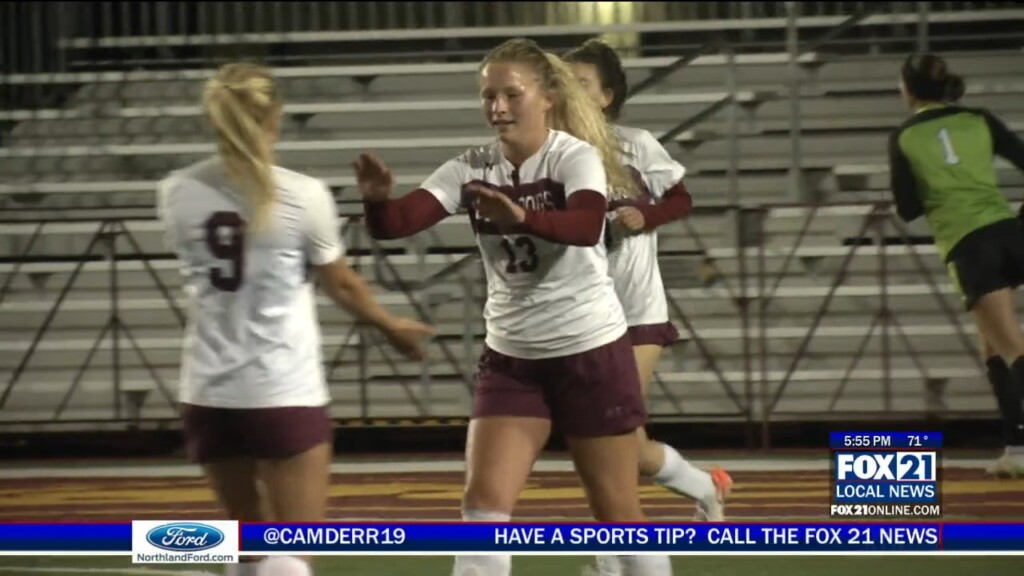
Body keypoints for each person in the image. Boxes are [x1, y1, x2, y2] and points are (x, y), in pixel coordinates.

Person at [355, 38, 673, 576]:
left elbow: (585, 224)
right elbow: (396, 225)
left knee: (618, 516)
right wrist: (377, 200)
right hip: (512, 360)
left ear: (547, 97)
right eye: (487, 96)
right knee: (482, 510)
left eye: (510, 94)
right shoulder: (471, 167)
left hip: (589, 352)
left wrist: (522, 219)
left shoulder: (574, 155)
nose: (497, 107)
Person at [157, 62, 435, 576]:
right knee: (291, 553)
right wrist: (391, 325)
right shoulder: (303, 196)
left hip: (208, 392)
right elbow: (342, 285)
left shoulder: (176, 191)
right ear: (276, 118)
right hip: (281, 390)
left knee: (247, 544)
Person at [564, 39, 732, 530]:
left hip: (635, 312)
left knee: (608, 436)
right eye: (563, 84)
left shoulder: (634, 144)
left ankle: (616, 556)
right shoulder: (549, 155)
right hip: (581, 315)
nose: (569, 93)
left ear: (606, 95)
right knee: (629, 448)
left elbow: (681, 199)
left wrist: (645, 216)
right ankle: (706, 485)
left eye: (582, 84)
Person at [889, 53, 1024, 478]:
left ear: (908, 90)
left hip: (969, 243)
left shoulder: (905, 136)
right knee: (993, 349)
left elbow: (908, 208)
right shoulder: (979, 119)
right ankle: (1016, 448)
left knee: (1011, 349)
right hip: (1009, 231)